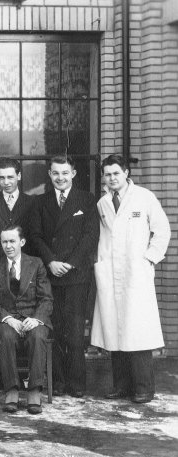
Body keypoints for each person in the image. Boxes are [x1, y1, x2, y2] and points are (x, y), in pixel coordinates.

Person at [91, 154, 171, 404]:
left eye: (116, 173)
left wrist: (149, 259)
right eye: (107, 174)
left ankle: (144, 388)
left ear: (126, 173)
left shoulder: (144, 197)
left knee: (137, 330)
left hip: (136, 274)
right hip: (110, 273)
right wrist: (100, 263)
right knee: (115, 330)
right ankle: (122, 386)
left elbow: (162, 230)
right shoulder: (103, 203)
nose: (112, 178)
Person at [27, 154, 99, 397]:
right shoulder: (40, 201)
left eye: (65, 173)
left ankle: (77, 384)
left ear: (74, 174)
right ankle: (56, 381)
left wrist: (70, 263)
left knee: (76, 332)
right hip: (51, 275)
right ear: (49, 174)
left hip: (77, 275)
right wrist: (51, 261)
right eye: (56, 173)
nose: (60, 178)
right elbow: (35, 235)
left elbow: (90, 236)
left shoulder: (86, 200)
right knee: (54, 329)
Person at [0, 226, 53, 414]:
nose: (8, 246)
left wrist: (36, 319)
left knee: (38, 335)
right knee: (6, 336)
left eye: (12, 241)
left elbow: (46, 299)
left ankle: (34, 390)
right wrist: (7, 318)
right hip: (6, 319)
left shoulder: (36, 264)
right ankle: (11, 390)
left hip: (32, 318)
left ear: (22, 242)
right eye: (4, 242)